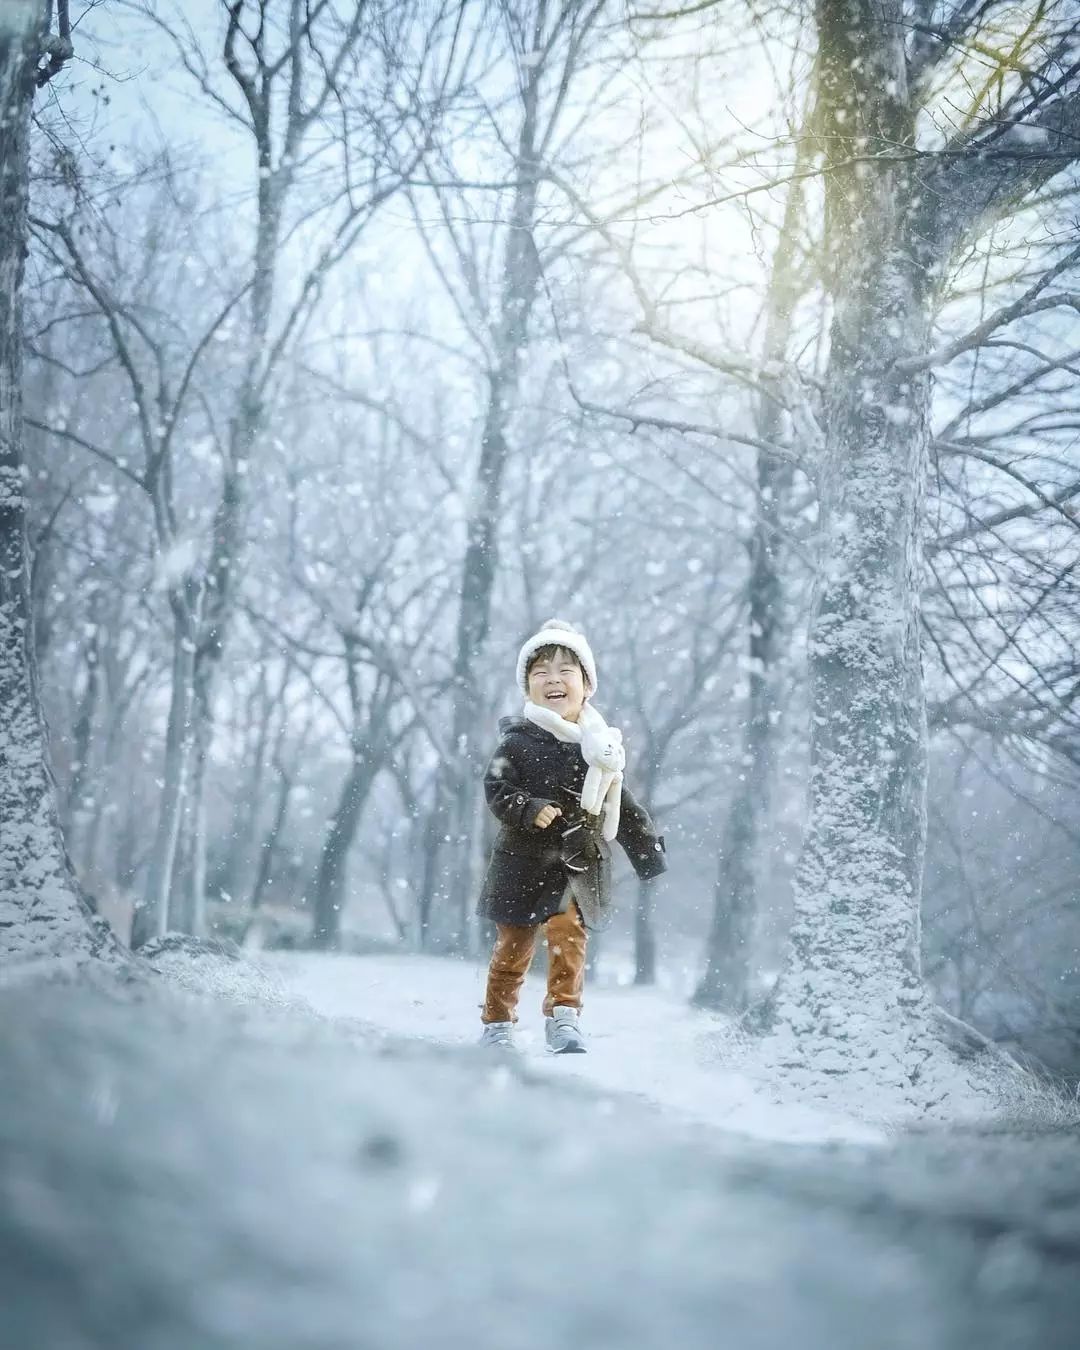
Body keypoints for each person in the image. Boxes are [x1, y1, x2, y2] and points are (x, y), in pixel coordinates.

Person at [476, 618, 667, 1053]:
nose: (553, 679)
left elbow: (624, 805)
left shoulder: (599, 748)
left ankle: (564, 1017)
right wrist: (528, 808)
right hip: (521, 860)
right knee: (514, 944)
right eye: (540, 672)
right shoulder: (517, 741)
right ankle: (498, 1024)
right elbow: (496, 788)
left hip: (575, 862)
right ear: (528, 688)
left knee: (569, 937)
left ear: (586, 685)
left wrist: (648, 853)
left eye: (566, 671)